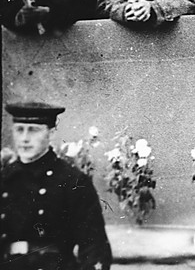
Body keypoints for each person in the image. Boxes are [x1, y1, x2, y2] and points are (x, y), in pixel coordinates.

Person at [1, 101, 112, 270]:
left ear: (51, 133)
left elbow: (94, 248)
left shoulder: (72, 181)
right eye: (19, 129)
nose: (24, 138)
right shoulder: (5, 178)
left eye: (33, 130)